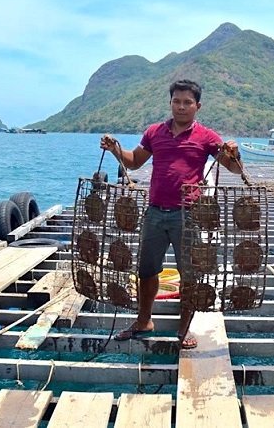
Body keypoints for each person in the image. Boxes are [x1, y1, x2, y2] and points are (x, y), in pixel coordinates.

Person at [100, 79, 242, 349]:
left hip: (187, 215)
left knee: (189, 274)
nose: (181, 106)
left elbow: (233, 169)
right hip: (154, 212)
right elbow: (134, 161)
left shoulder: (208, 137)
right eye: (177, 101)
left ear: (197, 106)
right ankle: (144, 321)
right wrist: (115, 148)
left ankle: (184, 329)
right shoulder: (154, 132)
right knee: (146, 270)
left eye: (187, 102)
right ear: (170, 103)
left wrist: (234, 154)